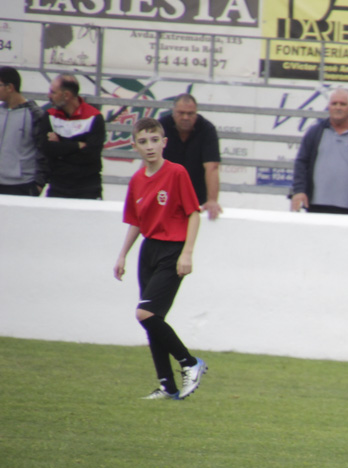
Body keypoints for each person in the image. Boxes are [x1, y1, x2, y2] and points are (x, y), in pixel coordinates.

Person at [112, 117, 207, 400]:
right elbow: (137, 222)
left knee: (146, 313)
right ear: (134, 146)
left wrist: (187, 253)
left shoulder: (177, 173)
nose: (149, 146)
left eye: (155, 140)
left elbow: (193, 213)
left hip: (172, 250)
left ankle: (190, 362)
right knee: (153, 319)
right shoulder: (137, 180)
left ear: (164, 142)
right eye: (143, 141)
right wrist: (122, 255)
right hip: (149, 251)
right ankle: (167, 385)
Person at [290, 88, 348, 215]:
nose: (338, 107)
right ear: (328, 106)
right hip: (316, 205)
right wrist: (299, 190)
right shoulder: (315, 132)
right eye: (334, 103)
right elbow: (301, 162)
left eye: (343, 104)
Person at [159, 93, 222, 220]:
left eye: (190, 113)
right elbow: (149, 161)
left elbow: (212, 167)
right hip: (164, 195)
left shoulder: (207, 129)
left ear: (196, 113)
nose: (185, 117)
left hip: (196, 198)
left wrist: (212, 200)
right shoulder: (161, 127)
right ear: (173, 112)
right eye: (181, 113)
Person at [43, 75, 105, 200]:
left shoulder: (94, 117)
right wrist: (77, 145)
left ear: (66, 95)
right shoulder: (49, 115)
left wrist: (60, 147)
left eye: (53, 92)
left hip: (88, 188)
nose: (48, 96)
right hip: (58, 187)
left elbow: (91, 155)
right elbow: (46, 149)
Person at [0, 66, 48, 196]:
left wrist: (39, 184)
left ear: (10, 87)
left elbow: (44, 150)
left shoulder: (35, 114)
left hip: (22, 185)